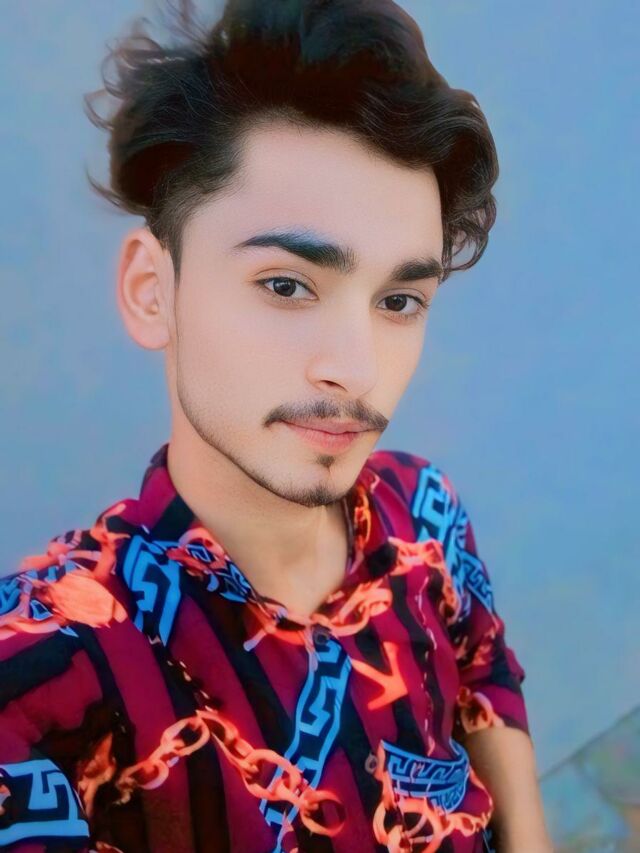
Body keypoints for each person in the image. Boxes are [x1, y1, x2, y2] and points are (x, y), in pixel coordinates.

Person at [0, 1, 553, 850]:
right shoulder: (47, 668)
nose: (356, 369)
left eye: (399, 301)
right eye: (287, 285)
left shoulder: (422, 507)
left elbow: (485, 671)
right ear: (152, 290)